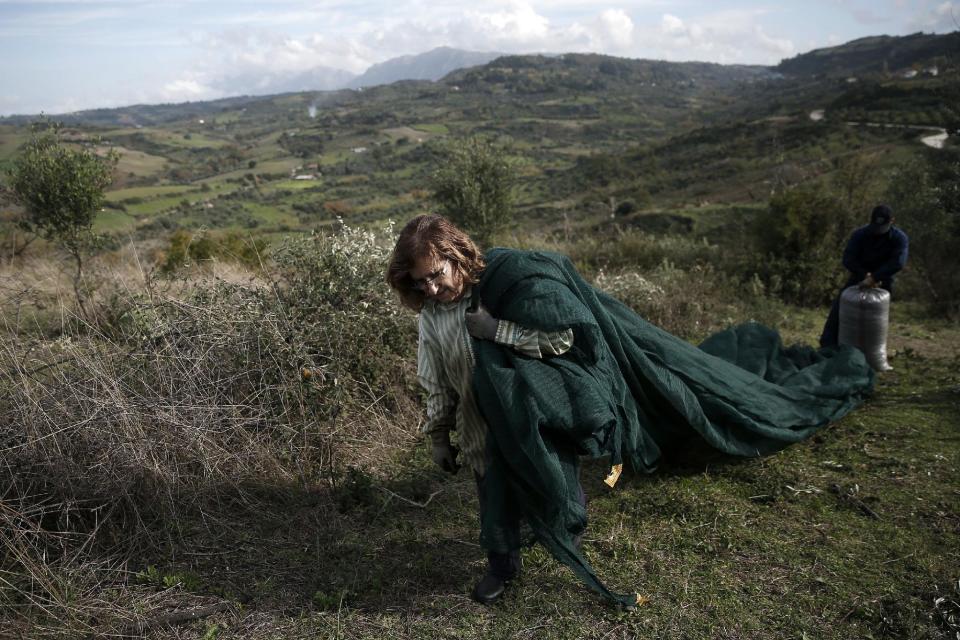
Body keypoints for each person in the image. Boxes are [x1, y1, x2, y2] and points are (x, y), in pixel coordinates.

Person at [387, 214, 875, 608]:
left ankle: (558, 522)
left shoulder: (511, 284)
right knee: (491, 487)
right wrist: (437, 435)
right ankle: (502, 565)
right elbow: (435, 380)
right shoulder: (432, 318)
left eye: (437, 275)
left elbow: (563, 337)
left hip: (534, 410)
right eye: (420, 282)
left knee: (550, 483)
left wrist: (497, 332)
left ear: (455, 256)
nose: (431, 289)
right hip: (479, 426)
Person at [819, 204, 909, 348]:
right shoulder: (859, 235)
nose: (878, 232)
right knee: (841, 307)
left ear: (892, 221)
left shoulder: (899, 238)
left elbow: (898, 262)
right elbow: (848, 259)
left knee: (875, 316)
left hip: (883, 280)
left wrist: (875, 278)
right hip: (859, 276)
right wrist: (864, 275)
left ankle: (869, 350)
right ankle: (828, 345)